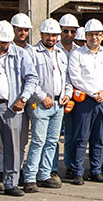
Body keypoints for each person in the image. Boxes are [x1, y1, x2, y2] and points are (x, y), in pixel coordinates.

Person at [0, 20, 38, 196]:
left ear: (10, 41)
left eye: (3, 43)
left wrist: (23, 98)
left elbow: (32, 78)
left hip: (10, 106)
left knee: (12, 146)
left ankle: (11, 183)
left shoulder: (20, 54)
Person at [64, 18, 103, 184]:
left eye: (97, 35)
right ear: (85, 36)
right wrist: (93, 93)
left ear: (102, 36)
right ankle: (77, 171)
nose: (94, 38)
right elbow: (75, 78)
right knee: (80, 137)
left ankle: (96, 170)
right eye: (91, 34)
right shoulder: (77, 54)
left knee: (99, 138)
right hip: (85, 100)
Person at [22, 19, 68, 190]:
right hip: (40, 104)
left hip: (58, 104)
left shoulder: (61, 54)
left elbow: (67, 78)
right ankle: (30, 177)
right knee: (38, 141)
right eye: (48, 34)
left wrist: (67, 94)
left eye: (54, 35)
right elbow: (29, 79)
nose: (51, 38)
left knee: (52, 141)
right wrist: (42, 97)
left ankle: (45, 174)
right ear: (41, 34)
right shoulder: (32, 53)